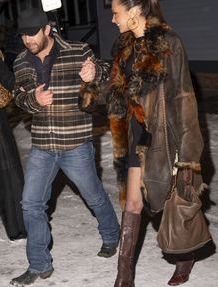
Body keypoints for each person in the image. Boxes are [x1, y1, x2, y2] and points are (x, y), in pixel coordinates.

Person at [80, 0, 212, 286]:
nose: (113, 19)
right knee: (133, 204)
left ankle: (184, 256)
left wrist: (187, 154)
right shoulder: (124, 46)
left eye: (116, 12)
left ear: (135, 10)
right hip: (135, 136)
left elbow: (184, 98)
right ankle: (123, 276)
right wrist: (92, 84)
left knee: (169, 201)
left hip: (166, 137)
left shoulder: (169, 44)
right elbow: (117, 94)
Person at [10, 8, 120, 286]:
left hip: (75, 143)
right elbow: (19, 97)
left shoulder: (78, 50)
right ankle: (39, 265)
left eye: (32, 33)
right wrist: (33, 99)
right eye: (22, 34)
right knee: (30, 204)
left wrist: (95, 73)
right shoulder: (22, 61)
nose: (27, 40)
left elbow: (108, 75)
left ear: (47, 29)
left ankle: (111, 235)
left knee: (94, 196)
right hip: (42, 146)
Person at [0, 25, 26, 243]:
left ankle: (17, 225)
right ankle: (12, 222)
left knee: (4, 172)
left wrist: (26, 92)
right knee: (1, 174)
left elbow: (8, 80)